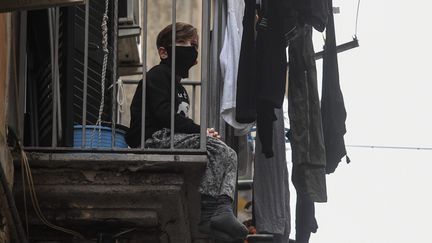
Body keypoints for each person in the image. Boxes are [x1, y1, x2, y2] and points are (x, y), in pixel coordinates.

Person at [125, 22, 248, 242]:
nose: (190, 48)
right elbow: (164, 115)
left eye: (194, 45)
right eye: (182, 42)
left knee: (228, 153)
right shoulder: (158, 75)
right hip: (153, 139)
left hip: (170, 138)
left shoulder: (180, 88)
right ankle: (212, 212)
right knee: (215, 148)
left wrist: (200, 134)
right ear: (163, 52)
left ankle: (222, 209)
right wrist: (201, 132)